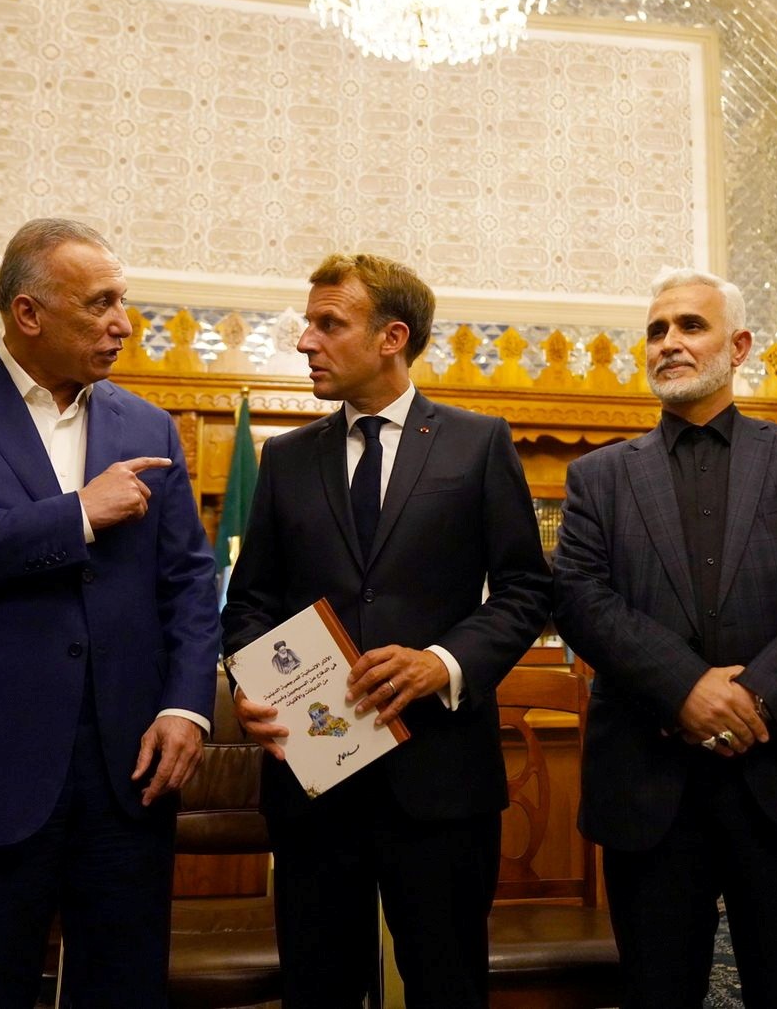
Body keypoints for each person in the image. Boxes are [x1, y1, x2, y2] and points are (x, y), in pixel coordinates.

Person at [0, 218, 220, 1008]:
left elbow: (190, 583)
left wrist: (186, 706)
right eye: (100, 303)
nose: (123, 323)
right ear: (29, 314)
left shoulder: (147, 425)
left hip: (129, 773)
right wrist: (76, 516)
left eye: (123, 301)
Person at [223, 253, 551, 1009]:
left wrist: (445, 661)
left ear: (391, 337)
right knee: (317, 987)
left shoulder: (477, 444)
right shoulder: (284, 458)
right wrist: (251, 680)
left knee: (447, 986)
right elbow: (249, 603)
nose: (306, 340)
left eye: (328, 324)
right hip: (314, 781)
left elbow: (528, 588)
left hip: (439, 782)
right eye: (309, 323)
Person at [551, 267, 777, 1009]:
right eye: (656, 330)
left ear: (738, 345)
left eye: (690, 326)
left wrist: (753, 698)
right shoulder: (598, 477)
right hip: (649, 779)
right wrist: (685, 690)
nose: (668, 343)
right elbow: (578, 598)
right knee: (657, 989)